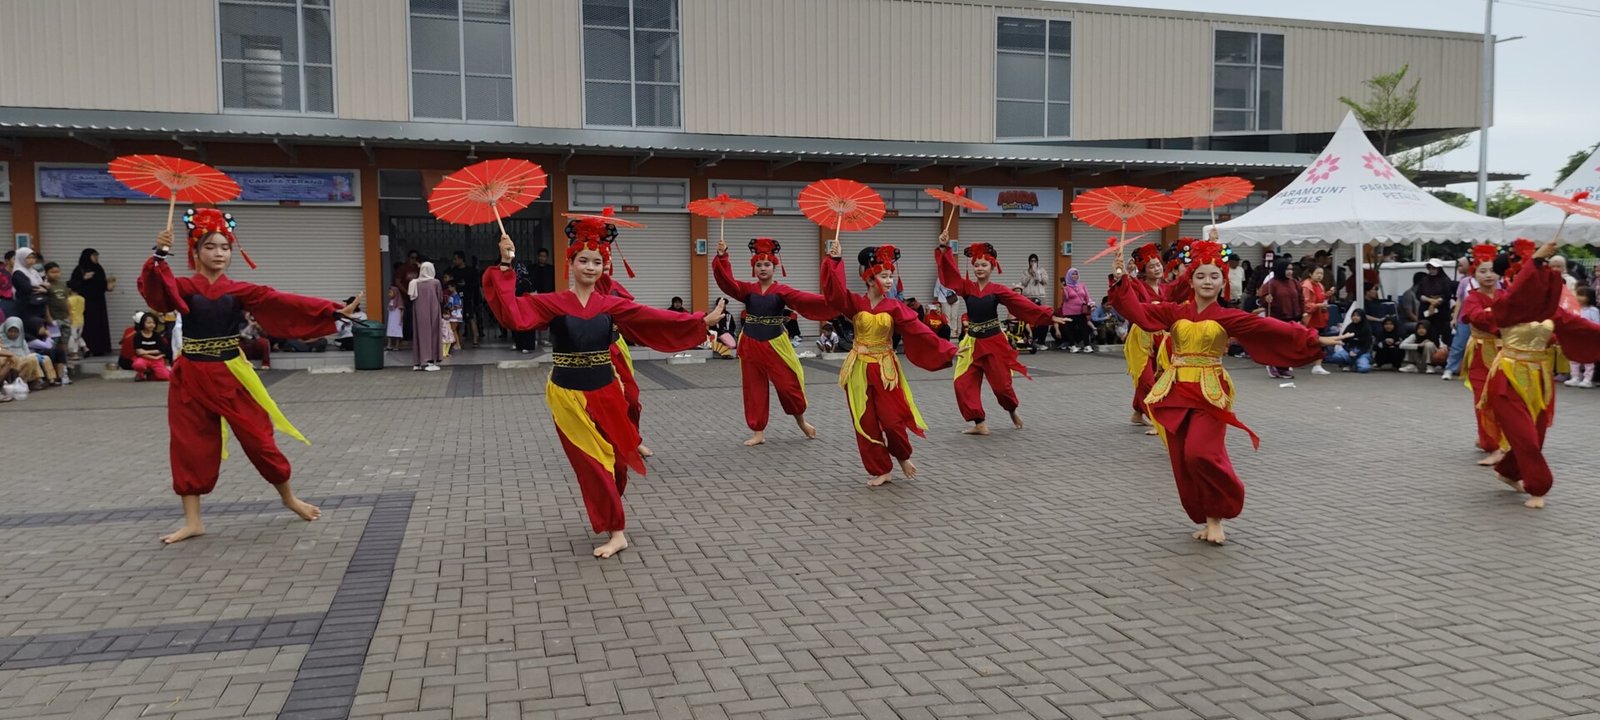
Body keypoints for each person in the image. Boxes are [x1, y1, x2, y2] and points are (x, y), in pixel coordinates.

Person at [482, 214, 725, 558]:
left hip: (606, 391)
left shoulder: (609, 304)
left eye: (597, 261)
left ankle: (613, 515)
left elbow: (653, 318)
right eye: (584, 260)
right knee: (593, 462)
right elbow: (512, 313)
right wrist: (506, 264)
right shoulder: (552, 303)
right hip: (568, 397)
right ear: (571, 263)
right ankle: (617, 531)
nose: (591, 267)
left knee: (617, 463)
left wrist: (699, 320)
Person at [139, 208, 362, 544]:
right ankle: (193, 521)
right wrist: (158, 255)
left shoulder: (239, 289)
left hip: (231, 374)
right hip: (191, 376)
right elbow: (158, 295)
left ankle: (289, 498)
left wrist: (330, 309)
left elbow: (282, 302)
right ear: (195, 251)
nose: (219, 253)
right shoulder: (183, 287)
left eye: (225, 247)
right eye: (211, 247)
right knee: (189, 444)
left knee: (259, 439)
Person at [1110, 240, 1347, 544]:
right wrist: (1120, 279)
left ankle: (1220, 513)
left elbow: (1271, 329)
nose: (1207, 282)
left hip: (1210, 392)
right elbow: (1138, 313)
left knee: (1202, 453)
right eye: (1200, 276)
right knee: (1184, 458)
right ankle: (1208, 520)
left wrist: (1314, 339)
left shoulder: (1227, 316)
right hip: (1177, 391)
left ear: (1223, 282)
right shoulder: (1174, 311)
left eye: (1213, 277)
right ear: (1191, 280)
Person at [1474, 240, 1600, 509]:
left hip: (1540, 379)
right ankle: (1539, 487)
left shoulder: (1552, 312)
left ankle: (1508, 471)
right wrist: (1536, 260)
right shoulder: (1506, 307)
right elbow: (1514, 294)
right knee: (1524, 436)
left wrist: (1554, 336)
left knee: (1536, 435)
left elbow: (1585, 329)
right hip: (1507, 377)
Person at [822, 238, 957, 487]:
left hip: (885, 370)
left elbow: (920, 331)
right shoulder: (855, 303)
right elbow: (833, 292)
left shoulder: (894, 306)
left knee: (893, 420)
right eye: (884, 276)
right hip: (859, 369)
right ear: (870, 278)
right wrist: (834, 260)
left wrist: (948, 349)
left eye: (890, 276)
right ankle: (881, 469)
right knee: (865, 421)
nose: (889, 281)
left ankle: (902, 456)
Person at [936, 234, 1065, 435]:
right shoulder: (966, 287)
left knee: (1002, 387)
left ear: (992, 267)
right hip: (971, 344)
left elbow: (1021, 304)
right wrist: (945, 248)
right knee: (962, 383)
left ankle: (1012, 409)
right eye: (976, 265)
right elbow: (950, 276)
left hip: (994, 342)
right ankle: (979, 422)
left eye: (984, 265)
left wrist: (1049, 317)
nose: (979, 268)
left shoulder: (997, 290)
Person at [713, 237, 836, 446]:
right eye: (759, 265)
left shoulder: (782, 291)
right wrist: (722, 258)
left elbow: (807, 300)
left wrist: (837, 300)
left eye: (767, 264)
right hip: (750, 343)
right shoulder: (747, 290)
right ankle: (758, 432)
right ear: (754, 267)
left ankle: (801, 422)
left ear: (774, 267)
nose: (763, 268)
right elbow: (727, 283)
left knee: (789, 386)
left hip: (776, 344)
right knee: (754, 389)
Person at [1459, 243, 1510, 466]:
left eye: (1492, 270)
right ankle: (1490, 442)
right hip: (1481, 353)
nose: (1489, 275)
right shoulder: (1472, 298)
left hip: (1506, 353)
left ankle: (1504, 439)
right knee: (1483, 399)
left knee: (1504, 397)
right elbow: (1477, 318)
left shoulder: (1506, 294)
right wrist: (1499, 315)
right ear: (1474, 274)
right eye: (1483, 271)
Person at [1124, 243, 1175, 431]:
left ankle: (1138, 412)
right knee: (1146, 379)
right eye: (1152, 266)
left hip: (1161, 338)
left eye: (1158, 264)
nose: (1157, 268)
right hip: (1141, 338)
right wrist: (1124, 272)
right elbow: (1123, 293)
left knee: (1160, 375)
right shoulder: (1137, 286)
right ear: (1143, 271)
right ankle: (1157, 418)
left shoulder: (1166, 288)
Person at [1257, 258, 1302, 379]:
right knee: (1278, 343)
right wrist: (1266, 300)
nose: (1290, 272)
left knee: (1288, 344)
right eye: (1287, 269)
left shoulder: (1294, 283)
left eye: (1291, 269)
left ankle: (1284, 367)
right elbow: (1262, 299)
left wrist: (1302, 313)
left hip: (1292, 317)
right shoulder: (1271, 284)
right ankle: (1275, 365)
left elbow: (1300, 298)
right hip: (1277, 318)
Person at [69, 248, 114, 357]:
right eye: (94, 256)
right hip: (85, 302)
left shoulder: (99, 268)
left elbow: (103, 285)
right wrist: (83, 278)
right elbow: (73, 285)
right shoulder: (79, 269)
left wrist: (109, 285)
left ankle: (101, 348)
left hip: (99, 301)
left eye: (97, 256)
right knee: (88, 325)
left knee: (99, 324)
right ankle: (87, 348)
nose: (96, 258)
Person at [2, 316, 58, 388]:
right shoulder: (2, 340)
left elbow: (27, 352)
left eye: (15, 332)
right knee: (32, 359)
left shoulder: (21, 341)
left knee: (43, 358)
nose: (13, 334)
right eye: (10, 331)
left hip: (23, 359)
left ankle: (51, 379)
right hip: (12, 361)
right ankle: (37, 380)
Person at [408, 261, 443, 371]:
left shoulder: (415, 283)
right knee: (433, 334)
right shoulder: (435, 282)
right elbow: (440, 298)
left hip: (419, 312)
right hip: (433, 311)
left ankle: (417, 363)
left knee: (419, 334)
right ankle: (431, 362)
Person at [119, 311, 171, 381]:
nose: (152, 325)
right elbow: (139, 352)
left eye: (153, 323)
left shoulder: (157, 335)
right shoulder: (137, 335)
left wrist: (146, 352)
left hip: (156, 360)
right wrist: (154, 355)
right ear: (142, 323)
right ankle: (141, 373)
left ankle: (151, 375)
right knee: (138, 364)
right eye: (149, 323)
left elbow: (161, 350)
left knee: (165, 377)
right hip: (142, 359)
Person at [10, 247, 49, 337]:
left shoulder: (34, 272)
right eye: (28, 257)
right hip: (27, 308)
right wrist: (42, 288)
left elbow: (44, 285)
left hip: (38, 306)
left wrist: (44, 289)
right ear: (21, 258)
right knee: (33, 331)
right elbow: (26, 288)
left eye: (33, 257)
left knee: (42, 331)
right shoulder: (18, 273)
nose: (32, 260)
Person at [1301, 266, 1332, 375]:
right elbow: (1305, 305)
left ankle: (1317, 365)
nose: (1320, 276)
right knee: (1305, 342)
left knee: (1319, 342)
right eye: (1317, 273)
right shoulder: (1306, 286)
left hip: (1320, 318)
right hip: (1310, 319)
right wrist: (1318, 305)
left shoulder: (1320, 285)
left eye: (1321, 274)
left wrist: (1326, 298)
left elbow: (1322, 299)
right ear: (1310, 274)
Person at [1417, 258, 1455, 345]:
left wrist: (1436, 302)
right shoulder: (1424, 280)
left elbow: (1447, 294)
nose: (1431, 270)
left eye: (1434, 268)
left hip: (1441, 313)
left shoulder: (1445, 280)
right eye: (1429, 268)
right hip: (1426, 311)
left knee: (1442, 334)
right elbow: (1419, 294)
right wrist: (1430, 300)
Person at [1055, 267, 1094, 352]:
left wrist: (1090, 303)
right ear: (1069, 276)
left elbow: (1087, 297)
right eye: (1073, 274)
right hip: (1069, 312)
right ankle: (1072, 346)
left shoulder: (1082, 285)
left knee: (1084, 327)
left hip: (1081, 311)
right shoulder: (1067, 287)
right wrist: (1064, 289)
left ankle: (1087, 345)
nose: (1075, 276)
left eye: (1076, 274)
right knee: (1070, 329)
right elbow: (1065, 299)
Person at [1018, 252, 1052, 347]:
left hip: (1040, 296)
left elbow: (1045, 281)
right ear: (1028, 262)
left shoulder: (1042, 271)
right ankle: (1029, 339)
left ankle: (1041, 341)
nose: (1033, 262)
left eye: (1035, 261)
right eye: (1031, 261)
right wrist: (1030, 274)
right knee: (1028, 320)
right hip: (1028, 297)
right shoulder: (1025, 272)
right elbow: (1023, 283)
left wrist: (1036, 272)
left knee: (1043, 318)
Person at [1569, 286, 1599, 388]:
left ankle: (1587, 379)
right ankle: (1575, 377)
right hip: (1575, 337)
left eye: (1582, 295)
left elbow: (1596, 324)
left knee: (1588, 359)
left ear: (1589, 297)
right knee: (1574, 358)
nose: (1578, 297)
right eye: (1577, 294)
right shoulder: (1573, 308)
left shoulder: (1593, 310)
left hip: (1587, 338)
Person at [385, 286, 404, 351]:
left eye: (390, 292)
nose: (389, 294)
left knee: (397, 332)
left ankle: (397, 345)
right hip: (391, 320)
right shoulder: (391, 301)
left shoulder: (399, 301)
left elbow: (401, 311)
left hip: (397, 319)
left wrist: (401, 319)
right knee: (390, 331)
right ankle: (389, 345)